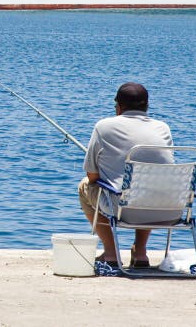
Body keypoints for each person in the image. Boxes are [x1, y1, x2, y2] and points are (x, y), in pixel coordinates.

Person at [78, 82, 173, 269]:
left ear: (119, 107)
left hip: (124, 208)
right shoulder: (163, 128)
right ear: (146, 106)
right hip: (167, 208)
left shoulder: (103, 126)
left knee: (84, 187)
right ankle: (140, 253)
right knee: (149, 188)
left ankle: (111, 253)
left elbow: (91, 176)